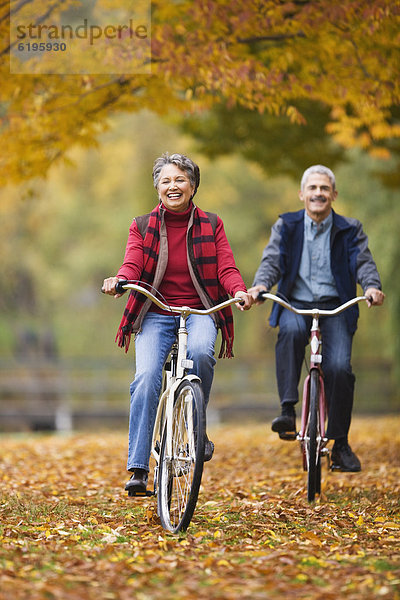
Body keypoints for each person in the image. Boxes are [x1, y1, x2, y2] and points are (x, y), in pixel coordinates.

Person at [103, 152, 253, 493]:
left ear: (193, 185)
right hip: (156, 312)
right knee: (146, 378)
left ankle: (197, 432)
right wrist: (120, 280)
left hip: (199, 310)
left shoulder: (212, 225)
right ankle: (139, 468)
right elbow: (133, 263)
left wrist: (239, 291)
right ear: (157, 188)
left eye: (180, 179)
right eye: (166, 180)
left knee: (201, 352)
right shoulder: (141, 225)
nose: (173, 186)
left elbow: (226, 268)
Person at [248, 165, 385, 472]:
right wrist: (260, 286)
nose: (318, 193)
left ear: (333, 195)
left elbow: (363, 263)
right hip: (296, 302)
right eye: (313, 188)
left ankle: (340, 444)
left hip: (337, 305)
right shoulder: (287, 225)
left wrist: (372, 287)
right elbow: (272, 260)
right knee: (291, 332)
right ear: (302, 194)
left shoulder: (350, 229)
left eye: (324, 188)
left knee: (338, 367)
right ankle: (287, 409)